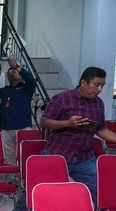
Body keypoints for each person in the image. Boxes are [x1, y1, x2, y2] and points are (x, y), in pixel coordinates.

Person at [40, 66, 116, 203]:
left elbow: (101, 129)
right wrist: (67, 123)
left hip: (85, 158)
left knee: (101, 192)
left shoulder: (98, 104)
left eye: (102, 86)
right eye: (96, 85)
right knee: (38, 188)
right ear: (83, 83)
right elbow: (44, 122)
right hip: (58, 154)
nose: (99, 89)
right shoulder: (63, 98)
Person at [0, 57, 36, 164]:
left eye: (14, 72)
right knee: (8, 158)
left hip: (23, 128)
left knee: (25, 157)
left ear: (20, 76)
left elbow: (31, 79)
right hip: (6, 130)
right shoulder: (5, 90)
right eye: (9, 73)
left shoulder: (26, 89)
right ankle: (11, 180)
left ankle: (25, 179)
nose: (11, 73)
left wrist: (16, 66)